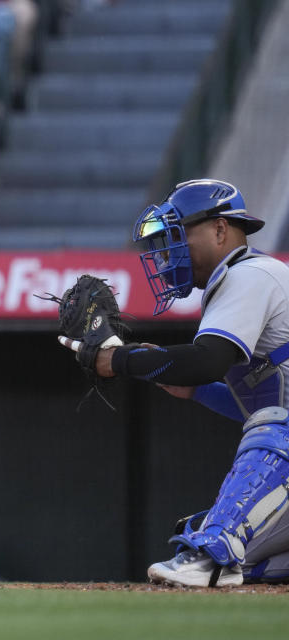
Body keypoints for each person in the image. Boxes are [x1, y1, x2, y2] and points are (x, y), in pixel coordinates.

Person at [62, 179, 289, 587]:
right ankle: (222, 554)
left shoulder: (250, 273)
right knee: (243, 554)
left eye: (179, 233)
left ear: (221, 229)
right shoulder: (242, 279)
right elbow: (237, 394)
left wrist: (119, 359)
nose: (168, 250)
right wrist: (197, 389)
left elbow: (205, 361)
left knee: (224, 535)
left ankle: (211, 553)